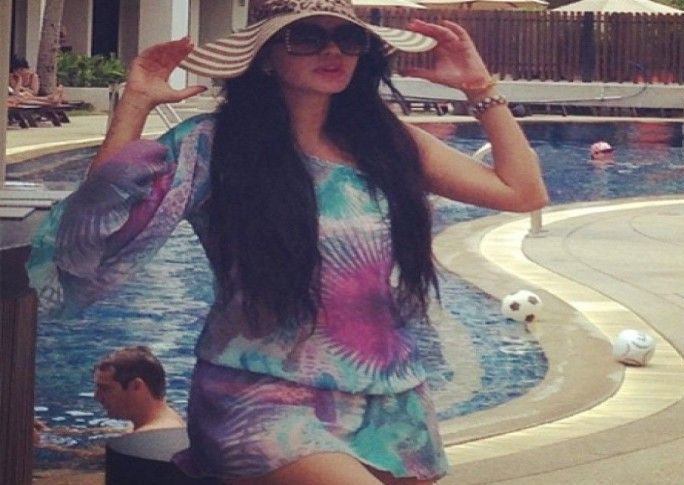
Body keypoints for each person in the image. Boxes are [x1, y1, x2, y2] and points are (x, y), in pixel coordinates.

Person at [27, 0, 548, 482]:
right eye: (306, 37)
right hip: (260, 396)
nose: (332, 51)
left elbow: (522, 191)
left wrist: (479, 87)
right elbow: (98, 228)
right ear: (266, 58)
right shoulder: (215, 145)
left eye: (348, 39)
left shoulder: (387, 142)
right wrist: (135, 102)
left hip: (390, 396)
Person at [94, 346, 185, 433]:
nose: (97, 396)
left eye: (106, 389)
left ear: (136, 386)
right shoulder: (165, 422)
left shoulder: (152, 437)